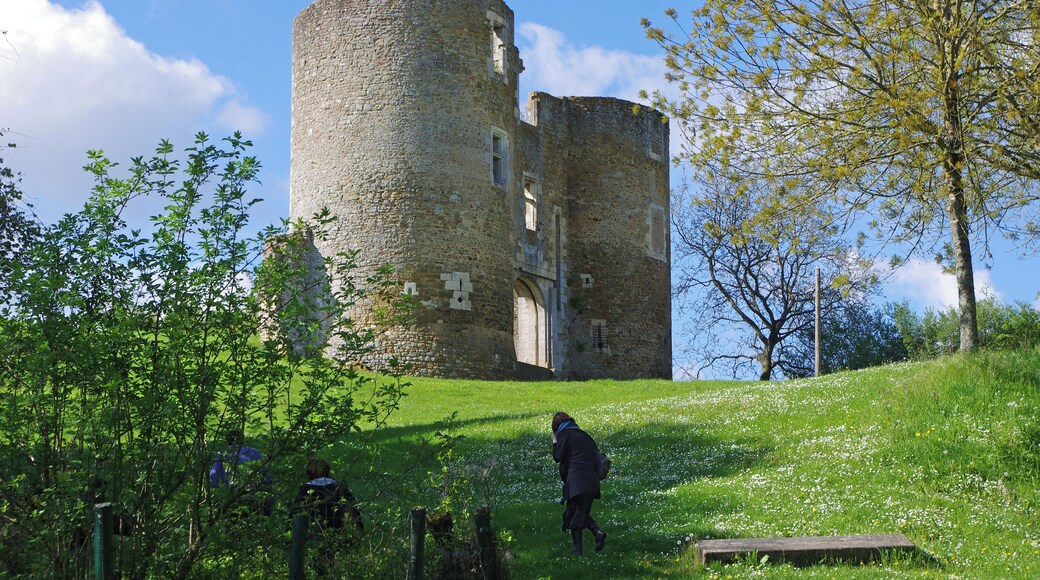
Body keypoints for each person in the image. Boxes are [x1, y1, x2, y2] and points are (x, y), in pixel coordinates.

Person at [294, 458, 364, 575]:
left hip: (314, 534)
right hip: (336, 531)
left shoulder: (305, 489)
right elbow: (351, 508)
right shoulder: (338, 487)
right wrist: (359, 528)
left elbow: (296, 512)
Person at [551, 411, 607, 555]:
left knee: (574, 513)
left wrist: (554, 440)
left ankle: (579, 548)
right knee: (579, 512)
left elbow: (557, 456)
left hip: (577, 480)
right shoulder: (585, 435)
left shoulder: (564, 435)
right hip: (592, 480)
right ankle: (593, 536)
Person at [210, 429, 273, 516]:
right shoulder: (255, 452)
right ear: (243, 441)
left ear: (226, 442)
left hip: (234, 499)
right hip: (255, 498)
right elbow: (267, 475)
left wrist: (215, 498)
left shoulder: (222, 455)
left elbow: (213, 474)